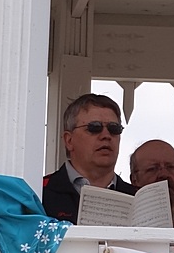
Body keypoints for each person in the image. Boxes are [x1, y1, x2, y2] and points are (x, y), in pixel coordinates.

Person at [42, 93, 134, 223]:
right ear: (69, 140)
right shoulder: (39, 193)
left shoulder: (138, 200)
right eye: (94, 128)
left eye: (114, 129)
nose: (106, 135)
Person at [129, 139, 174, 225]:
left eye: (171, 167)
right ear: (135, 180)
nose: (164, 174)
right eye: (152, 169)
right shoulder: (124, 232)